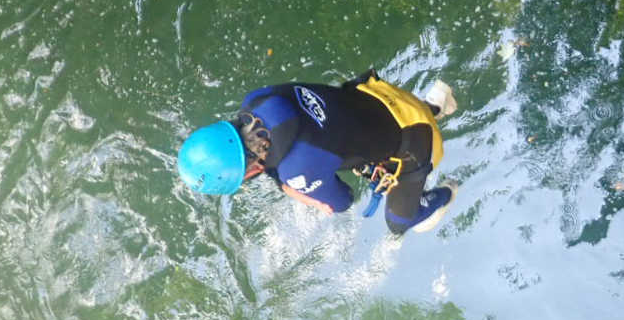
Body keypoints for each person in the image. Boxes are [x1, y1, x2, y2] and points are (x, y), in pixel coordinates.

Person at [177, 69, 458, 234]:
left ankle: (450, 190)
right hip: (379, 94)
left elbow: (341, 202)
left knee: (400, 224)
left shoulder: (296, 171)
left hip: (415, 137)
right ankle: (433, 104)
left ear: (248, 172)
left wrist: (292, 189)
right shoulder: (255, 100)